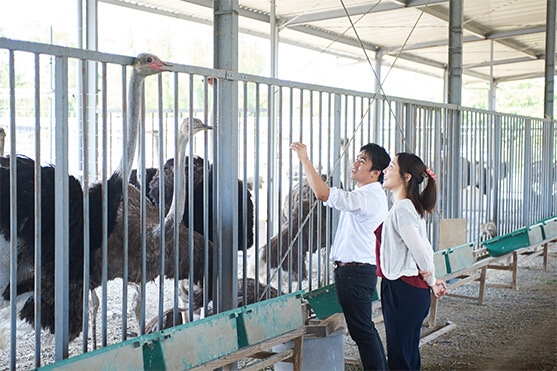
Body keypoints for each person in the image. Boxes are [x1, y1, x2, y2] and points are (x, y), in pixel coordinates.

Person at [290, 141, 390, 371]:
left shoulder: (367, 198)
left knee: (362, 331)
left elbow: (322, 193)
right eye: (357, 157)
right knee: (364, 329)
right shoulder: (365, 194)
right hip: (356, 271)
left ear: (376, 173)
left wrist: (305, 160)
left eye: (362, 160)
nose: (355, 163)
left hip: (355, 273)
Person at [378, 152, 448, 371]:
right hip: (405, 289)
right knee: (405, 354)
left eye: (391, 166)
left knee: (401, 358)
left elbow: (422, 252)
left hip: (404, 289)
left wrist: (432, 279)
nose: (385, 170)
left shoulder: (404, 208)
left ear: (405, 177)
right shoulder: (406, 207)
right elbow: (424, 248)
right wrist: (432, 280)